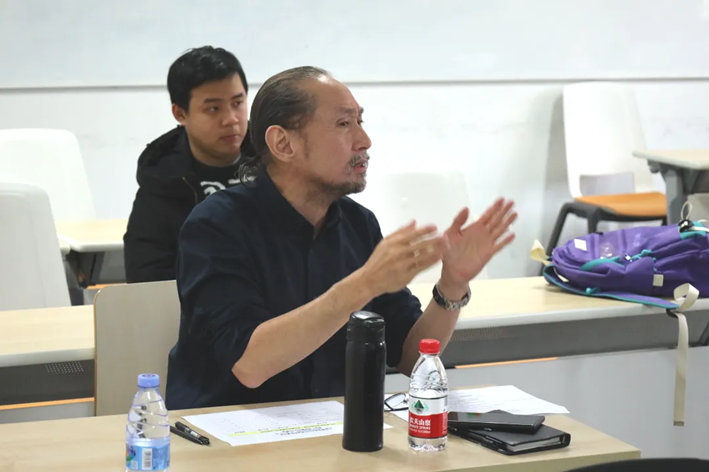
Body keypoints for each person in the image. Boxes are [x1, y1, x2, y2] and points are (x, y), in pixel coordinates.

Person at [165, 66, 517, 410]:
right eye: (344, 124)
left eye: (360, 121)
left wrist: (452, 285)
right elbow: (249, 365)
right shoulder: (216, 225)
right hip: (226, 434)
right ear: (283, 143)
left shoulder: (358, 224)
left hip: (335, 431)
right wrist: (364, 284)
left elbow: (412, 358)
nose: (364, 141)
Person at [123, 46, 253, 283]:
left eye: (238, 103)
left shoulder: (279, 161)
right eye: (213, 109)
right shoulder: (163, 182)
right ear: (180, 114)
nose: (231, 119)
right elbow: (147, 278)